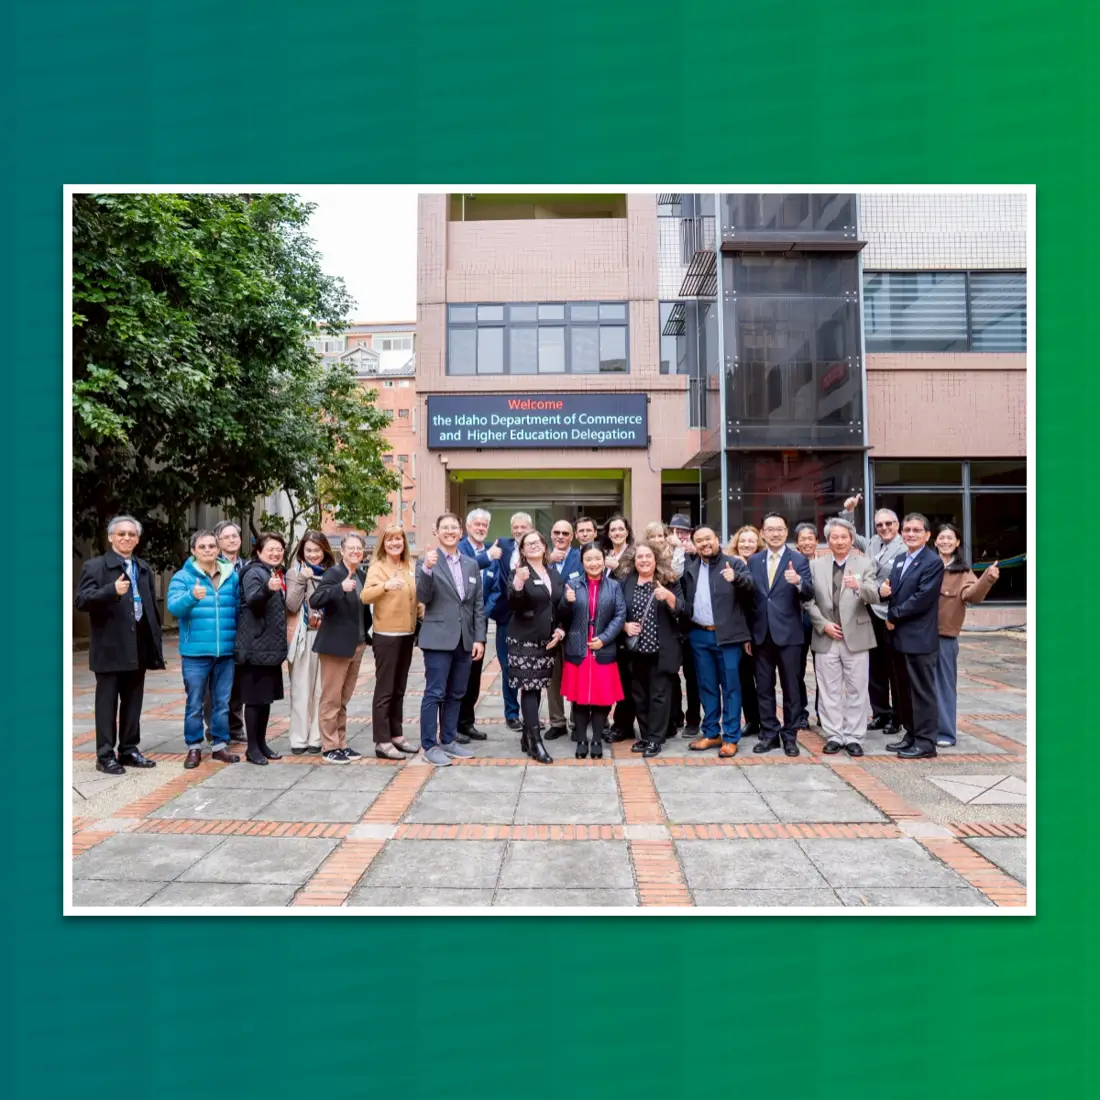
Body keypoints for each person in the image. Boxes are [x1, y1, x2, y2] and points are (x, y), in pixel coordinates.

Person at [75, 515, 164, 775]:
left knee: (133, 701)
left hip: (138, 645)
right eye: (121, 534)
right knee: (107, 703)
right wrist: (110, 590)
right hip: (110, 646)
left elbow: (149, 609)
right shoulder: (95, 567)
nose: (127, 538)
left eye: (131, 534)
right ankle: (105, 755)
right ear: (111, 537)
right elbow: (81, 600)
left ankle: (128, 749)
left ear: (137, 539)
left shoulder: (143, 567)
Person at [805, 518, 880, 757]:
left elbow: (874, 596)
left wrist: (859, 586)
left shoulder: (865, 563)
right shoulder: (816, 565)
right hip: (827, 636)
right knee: (829, 690)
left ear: (851, 539)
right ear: (828, 540)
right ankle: (834, 735)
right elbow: (808, 600)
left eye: (844, 537)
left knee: (857, 689)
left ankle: (854, 736)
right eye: (834, 537)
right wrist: (823, 625)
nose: (839, 541)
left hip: (856, 635)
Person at [166, 529, 241, 768]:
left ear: (218, 549)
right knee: (195, 701)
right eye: (203, 547)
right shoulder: (183, 577)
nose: (208, 550)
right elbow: (174, 609)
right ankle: (194, 747)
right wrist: (191, 596)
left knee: (222, 702)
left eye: (212, 546)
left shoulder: (231, 576)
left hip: (226, 652)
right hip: (195, 653)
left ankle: (220, 745)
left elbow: (239, 609)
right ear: (194, 551)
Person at [417, 513, 487, 767]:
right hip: (437, 639)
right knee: (435, 693)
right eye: (444, 528)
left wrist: (479, 638)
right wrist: (426, 568)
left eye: (453, 527)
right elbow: (423, 597)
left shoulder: (470, 564)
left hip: (465, 640)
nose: (449, 531)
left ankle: (448, 739)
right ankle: (429, 745)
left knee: (457, 692)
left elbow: (478, 605)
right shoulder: (429, 561)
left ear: (460, 532)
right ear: (436, 532)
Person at [681, 526, 754, 758]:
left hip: (728, 637)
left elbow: (752, 589)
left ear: (717, 539)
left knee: (731, 687)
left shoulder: (734, 563)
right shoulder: (690, 567)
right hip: (699, 635)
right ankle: (711, 732)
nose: (704, 543)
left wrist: (737, 578)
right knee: (707, 686)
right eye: (699, 540)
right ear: (695, 544)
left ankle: (731, 737)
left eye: (708, 539)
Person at [747, 513, 815, 756]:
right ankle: (769, 734)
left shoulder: (798, 560)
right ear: (762, 533)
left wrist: (798, 581)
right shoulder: (754, 561)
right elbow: (752, 600)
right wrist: (748, 635)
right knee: (763, 688)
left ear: (786, 532)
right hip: (761, 635)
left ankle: (790, 736)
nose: (775, 533)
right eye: (770, 529)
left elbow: (809, 593)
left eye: (779, 529)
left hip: (789, 636)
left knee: (791, 688)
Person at [879, 512, 946, 758]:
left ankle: (926, 743)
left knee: (922, 692)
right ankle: (911, 734)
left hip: (918, 639)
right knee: (904, 691)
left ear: (928, 535)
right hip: (898, 639)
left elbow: (922, 599)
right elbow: (892, 591)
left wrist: (892, 615)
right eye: (907, 530)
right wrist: (882, 592)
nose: (910, 534)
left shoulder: (932, 562)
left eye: (916, 530)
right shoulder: (899, 560)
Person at [840, 494, 906, 734]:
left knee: (894, 669)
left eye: (889, 524)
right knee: (874, 668)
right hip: (870, 613)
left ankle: (898, 717)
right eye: (880, 525)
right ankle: (880, 713)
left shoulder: (904, 545)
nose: (884, 528)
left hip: (890, 615)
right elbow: (851, 535)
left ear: (897, 526)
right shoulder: (873, 543)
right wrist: (848, 511)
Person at [933, 524, 1000, 747]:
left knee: (944, 686)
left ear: (957, 542)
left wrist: (987, 579)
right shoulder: (927, 565)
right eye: (941, 538)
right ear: (934, 541)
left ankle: (945, 732)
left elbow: (972, 595)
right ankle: (922, 729)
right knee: (920, 685)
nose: (945, 542)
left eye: (950, 538)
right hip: (919, 635)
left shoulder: (962, 572)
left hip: (945, 637)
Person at [310, 532, 373, 765]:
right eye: (351, 548)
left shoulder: (362, 575)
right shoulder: (334, 574)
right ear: (342, 551)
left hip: (357, 645)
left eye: (360, 548)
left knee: (343, 698)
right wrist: (340, 588)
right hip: (335, 646)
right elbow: (316, 600)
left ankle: (341, 743)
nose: (356, 552)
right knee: (331, 698)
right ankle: (329, 746)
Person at [559, 543, 627, 758]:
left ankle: (596, 739)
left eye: (597, 558)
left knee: (601, 699)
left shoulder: (614, 586)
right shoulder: (572, 584)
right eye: (589, 559)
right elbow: (562, 616)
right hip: (578, 648)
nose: (594, 563)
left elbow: (620, 615)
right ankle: (581, 740)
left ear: (603, 559)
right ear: (583, 562)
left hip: (602, 649)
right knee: (579, 699)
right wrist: (566, 603)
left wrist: (604, 639)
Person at [621, 542, 686, 756]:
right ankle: (646, 735)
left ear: (655, 559)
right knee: (639, 695)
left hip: (662, 650)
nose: (644, 560)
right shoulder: (627, 582)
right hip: (636, 651)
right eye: (640, 557)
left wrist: (669, 597)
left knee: (659, 696)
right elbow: (617, 610)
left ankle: (656, 739)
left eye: (648, 556)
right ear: (634, 561)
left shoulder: (669, 581)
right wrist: (624, 625)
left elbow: (685, 611)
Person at [507, 530, 566, 763]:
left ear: (544, 546)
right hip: (524, 640)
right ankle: (535, 741)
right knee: (529, 688)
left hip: (548, 640)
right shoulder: (518, 574)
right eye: (527, 543)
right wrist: (519, 582)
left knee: (538, 686)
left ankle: (525, 736)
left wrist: (561, 630)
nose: (532, 546)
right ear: (522, 551)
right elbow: (514, 604)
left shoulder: (553, 574)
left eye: (536, 542)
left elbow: (560, 606)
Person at [362, 525, 420, 759]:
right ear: (383, 544)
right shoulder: (378, 568)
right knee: (385, 689)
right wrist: (384, 586)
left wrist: (420, 608)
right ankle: (382, 741)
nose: (396, 543)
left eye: (399, 539)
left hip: (407, 634)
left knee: (399, 688)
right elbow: (365, 596)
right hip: (386, 636)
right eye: (391, 540)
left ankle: (396, 735)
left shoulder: (407, 567)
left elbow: (410, 597)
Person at [234, 532, 289, 768]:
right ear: (258, 552)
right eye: (271, 549)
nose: (276, 553)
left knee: (265, 700)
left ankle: (262, 743)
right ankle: (252, 749)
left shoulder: (273, 572)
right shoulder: (254, 572)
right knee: (254, 701)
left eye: (279, 549)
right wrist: (268, 588)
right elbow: (253, 599)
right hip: (255, 648)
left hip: (270, 648)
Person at [284, 530, 333, 756]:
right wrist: (303, 579)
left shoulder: (333, 573)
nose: (313, 555)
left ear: (325, 551)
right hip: (305, 635)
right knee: (301, 689)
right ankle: (298, 738)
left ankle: (316, 737)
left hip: (328, 635)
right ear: (302, 551)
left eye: (317, 550)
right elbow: (291, 605)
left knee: (322, 690)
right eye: (309, 550)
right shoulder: (295, 573)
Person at [457, 508, 502, 742]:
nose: (481, 528)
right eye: (477, 524)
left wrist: (484, 612)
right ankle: (451, 725)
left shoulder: (491, 554)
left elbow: (495, 590)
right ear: (467, 526)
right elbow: (462, 569)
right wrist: (487, 558)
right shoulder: (461, 548)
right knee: (456, 677)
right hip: (459, 625)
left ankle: (467, 722)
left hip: (479, 624)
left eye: (485, 524)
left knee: (474, 678)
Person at [487, 512, 533, 731]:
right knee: (508, 667)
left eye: (523, 526)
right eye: (515, 526)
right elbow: (472, 544)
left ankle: (530, 715)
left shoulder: (537, 548)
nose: (519, 530)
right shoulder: (502, 545)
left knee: (531, 668)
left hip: (531, 620)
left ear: (530, 529)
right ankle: (512, 714)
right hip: (506, 617)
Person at [203, 519, 246, 743]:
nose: (232, 539)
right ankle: (214, 729)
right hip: (217, 632)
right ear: (218, 542)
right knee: (213, 685)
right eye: (227, 536)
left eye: (235, 536)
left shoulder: (247, 566)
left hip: (242, 632)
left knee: (237, 682)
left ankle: (236, 725)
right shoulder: (210, 565)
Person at [544, 519, 582, 740]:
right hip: (548, 628)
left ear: (572, 536)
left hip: (575, 627)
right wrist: (547, 560)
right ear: (551, 534)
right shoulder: (542, 558)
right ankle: (557, 722)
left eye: (565, 533)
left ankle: (577, 720)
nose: (560, 536)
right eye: (556, 532)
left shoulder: (579, 558)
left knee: (575, 675)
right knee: (553, 677)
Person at [726, 525, 765, 738]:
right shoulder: (730, 563)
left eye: (751, 541)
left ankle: (766, 720)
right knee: (744, 679)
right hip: (738, 630)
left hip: (759, 628)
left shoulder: (761, 565)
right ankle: (752, 720)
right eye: (742, 541)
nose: (746, 545)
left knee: (764, 679)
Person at [601, 514, 637, 741]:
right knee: (611, 677)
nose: (616, 533)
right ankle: (611, 722)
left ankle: (623, 725)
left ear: (627, 531)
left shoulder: (633, 555)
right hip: (607, 625)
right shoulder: (605, 556)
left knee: (627, 679)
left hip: (626, 624)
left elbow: (631, 587)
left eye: (620, 529)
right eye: (613, 530)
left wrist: (617, 569)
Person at [668, 513, 700, 739]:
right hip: (669, 625)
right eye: (675, 531)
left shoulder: (697, 556)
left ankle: (693, 719)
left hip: (691, 624)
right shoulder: (662, 555)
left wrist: (694, 552)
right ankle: (675, 715)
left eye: (683, 532)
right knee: (670, 675)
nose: (679, 536)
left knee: (693, 675)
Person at [793, 522, 819, 730]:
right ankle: (801, 712)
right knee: (797, 670)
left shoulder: (825, 564)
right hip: (799, 622)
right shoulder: (791, 564)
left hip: (822, 624)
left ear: (817, 542)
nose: (807, 542)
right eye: (803, 539)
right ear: (797, 543)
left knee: (824, 671)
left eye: (811, 538)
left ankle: (823, 711)